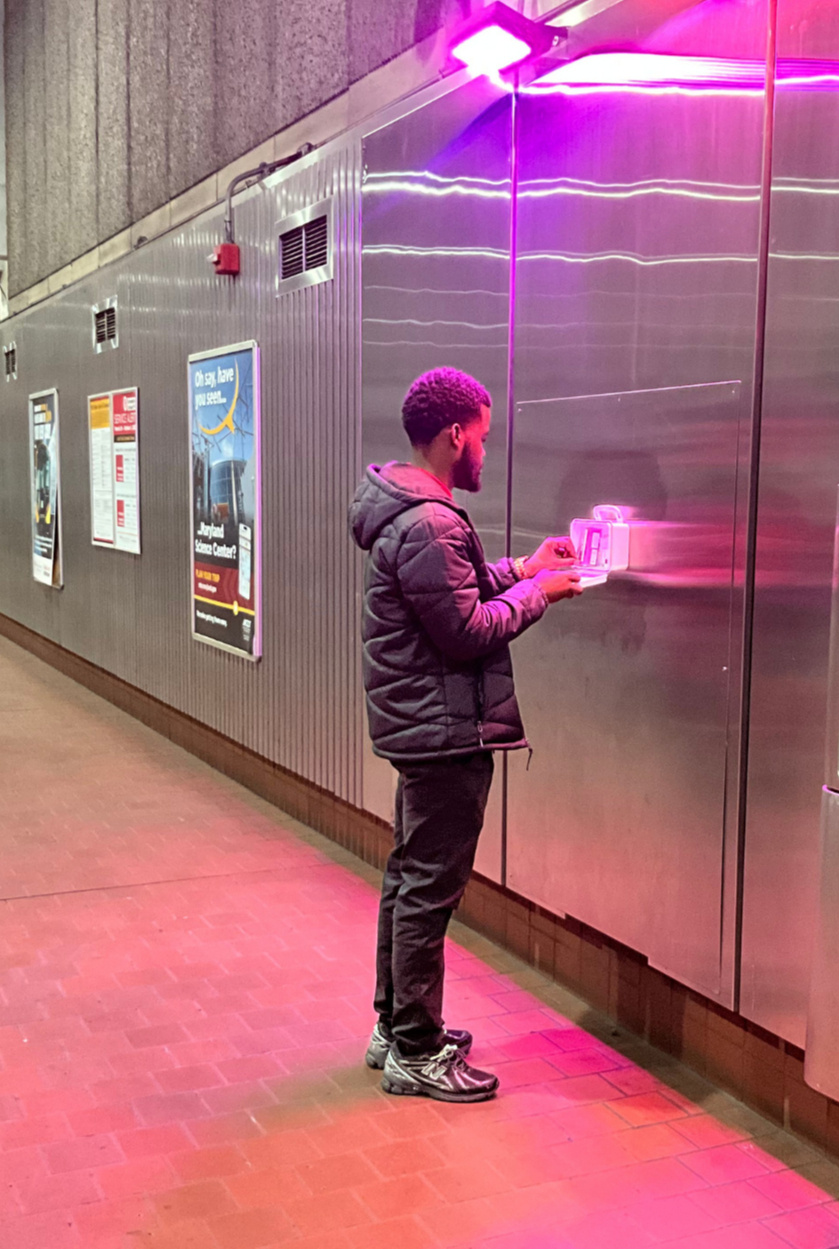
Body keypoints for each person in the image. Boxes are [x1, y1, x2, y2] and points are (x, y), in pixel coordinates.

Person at [349, 367, 582, 1103]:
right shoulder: (430, 520)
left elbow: (457, 584)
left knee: (407, 876)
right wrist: (535, 595)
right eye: (481, 435)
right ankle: (416, 1050)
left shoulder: (413, 511)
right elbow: (465, 629)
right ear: (456, 435)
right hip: (441, 729)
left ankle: (397, 1026)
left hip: (420, 724)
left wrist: (524, 567)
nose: (485, 447)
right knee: (426, 887)